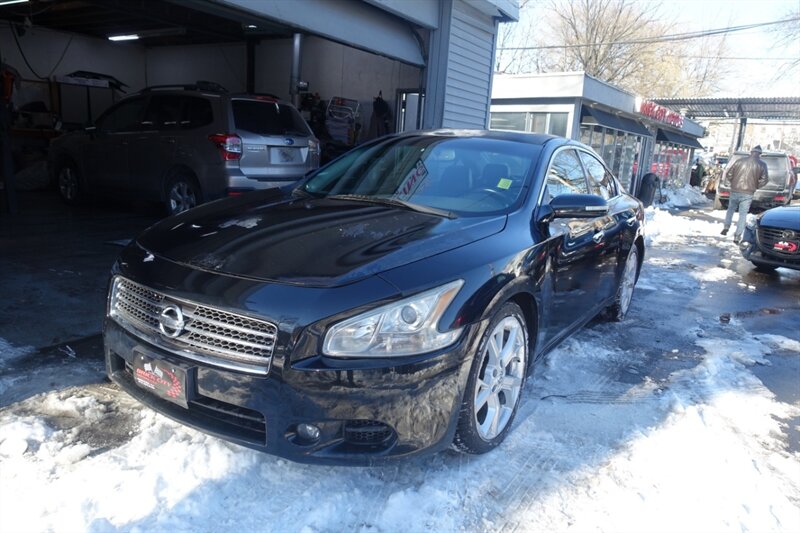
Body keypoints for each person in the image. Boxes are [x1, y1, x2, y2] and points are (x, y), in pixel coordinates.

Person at [720, 145, 768, 242]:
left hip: (735, 190)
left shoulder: (740, 161)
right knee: (743, 214)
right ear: (760, 154)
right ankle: (737, 236)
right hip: (748, 193)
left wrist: (733, 183)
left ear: (751, 152)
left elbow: (729, 174)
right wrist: (755, 186)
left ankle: (726, 227)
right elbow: (764, 180)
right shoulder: (762, 164)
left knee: (730, 209)